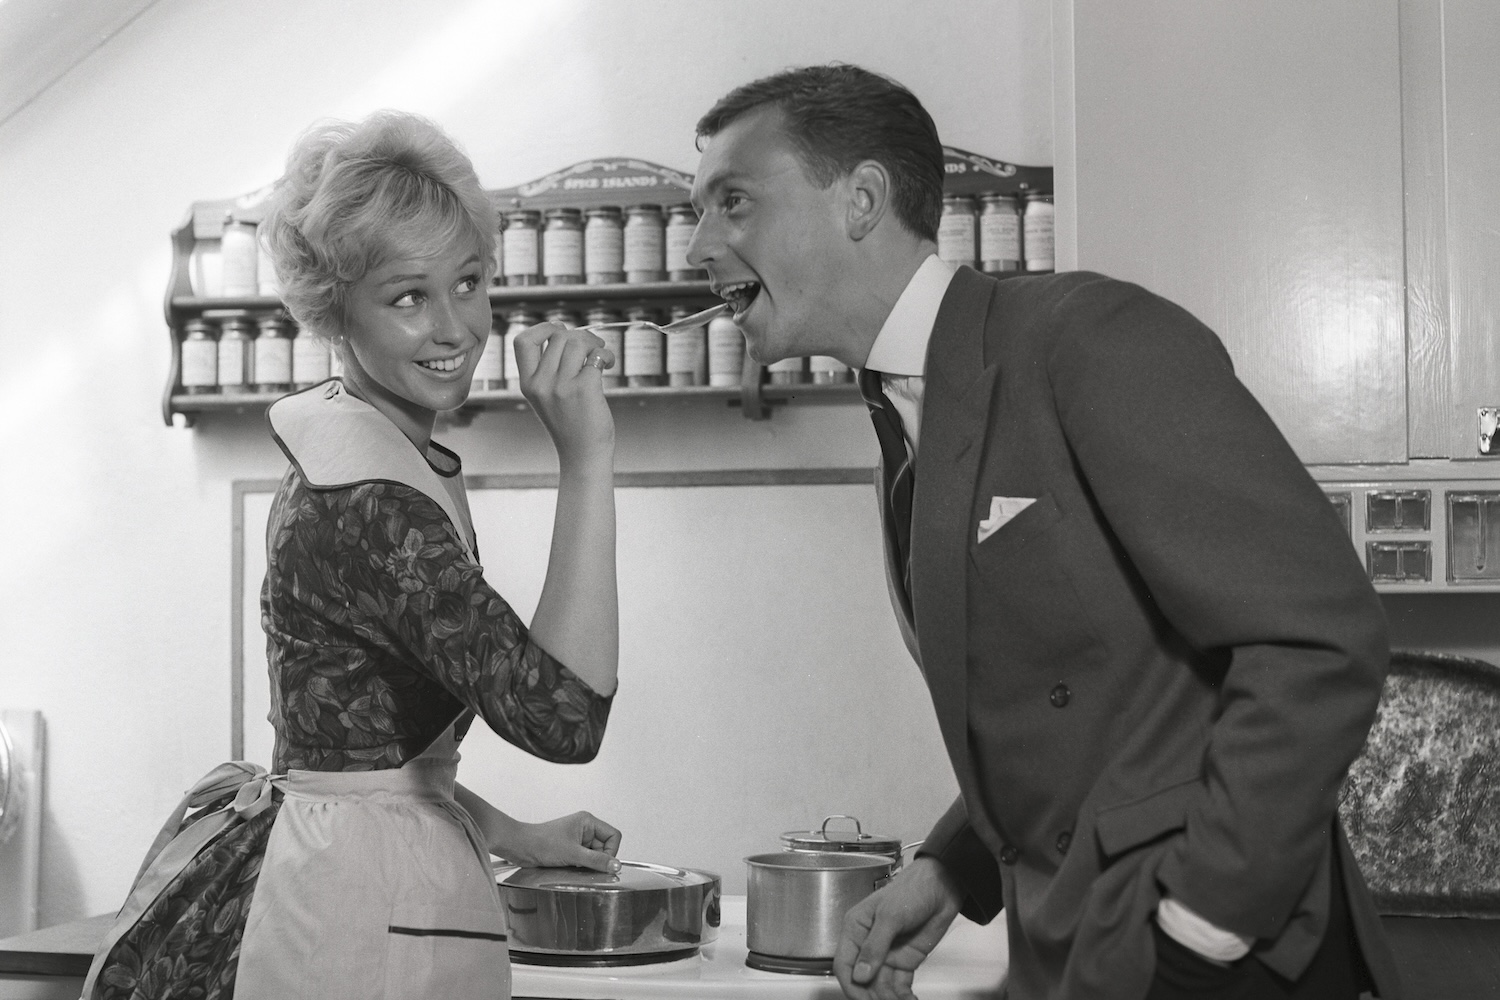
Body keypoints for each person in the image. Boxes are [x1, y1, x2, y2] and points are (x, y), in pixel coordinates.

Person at [686, 65, 1403, 1000]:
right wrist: (951, 868)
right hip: (1080, 954)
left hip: (1226, 961)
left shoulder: (1091, 338)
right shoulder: (899, 419)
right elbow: (1068, 711)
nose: (700, 244)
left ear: (861, 199)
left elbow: (1318, 640)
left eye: (732, 203)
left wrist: (1200, 931)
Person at [83, 110, 623, 1000]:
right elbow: (565, 716)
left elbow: (354, 760)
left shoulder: (360, 447)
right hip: (350, 909)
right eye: (408, 297)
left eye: (469, 281)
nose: (455, 328)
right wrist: (588, 454)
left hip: (342, 871)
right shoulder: (371, 505)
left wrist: (508, 832)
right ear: (338, 310)